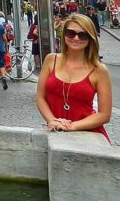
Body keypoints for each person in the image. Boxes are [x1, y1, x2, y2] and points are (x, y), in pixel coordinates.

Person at [36, 13, 112, 142]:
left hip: (89, 135)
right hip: (56, 130)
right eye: (71, 33)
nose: (76, 38)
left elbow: (104, 115)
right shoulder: (51, 60)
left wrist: (70, 126)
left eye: (83, 35)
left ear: (90, 38)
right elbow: (40, 97)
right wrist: (53, 121)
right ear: (64, 34)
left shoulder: (99, 70)